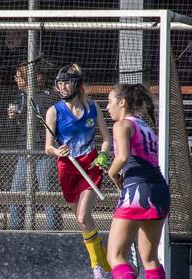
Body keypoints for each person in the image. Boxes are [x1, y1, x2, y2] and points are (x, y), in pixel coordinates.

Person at [44, 64, 113, 278]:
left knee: (83, 216)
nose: (63, 87)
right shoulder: (54, 112)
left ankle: (97, 267)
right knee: (83, 222)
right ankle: (107, 264)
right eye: (60, 83)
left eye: (66, 82)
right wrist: (58, 150)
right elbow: (47, 148)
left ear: (76, 84)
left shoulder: (93, 108)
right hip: (68, 168)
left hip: (90, 166)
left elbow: (107, 139)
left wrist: (103, 155)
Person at [105, 84, 170, 279]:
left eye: (110, 102)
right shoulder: (145, 125)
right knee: (150, 260)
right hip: (159, 190)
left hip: (137, 190)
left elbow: (123, 157)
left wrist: (112, 174)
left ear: (122, 102)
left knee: (115, 256)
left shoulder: (122, 125)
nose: (107, 108)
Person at [7, 62, 62, 230]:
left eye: (19, 76)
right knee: (17, 192)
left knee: (46, 191)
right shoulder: (19, 97)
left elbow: (47, 124)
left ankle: (53, 230)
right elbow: (13, 129)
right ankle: (15, 231)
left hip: (43, 150)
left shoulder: (47, 97)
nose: (16, 79)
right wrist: (12, 117)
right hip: (24, 151)